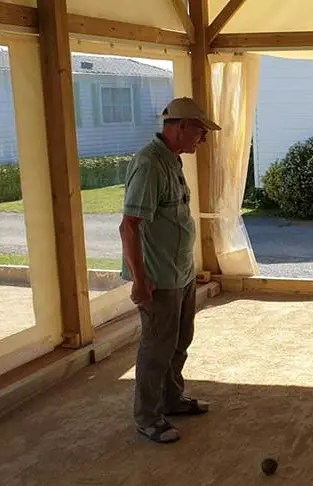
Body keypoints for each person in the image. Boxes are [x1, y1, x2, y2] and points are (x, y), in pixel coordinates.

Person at [119, 97, 221, 444]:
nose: (203, 138)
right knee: (156, 348)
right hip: (158, 277)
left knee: (179, 341)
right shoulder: (149, 164)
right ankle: (148, 417)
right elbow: (129, 226)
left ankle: (171, 399)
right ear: (180, 127)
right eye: (200, 130)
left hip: (180, 271)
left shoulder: (172, 161)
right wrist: (140, 280)